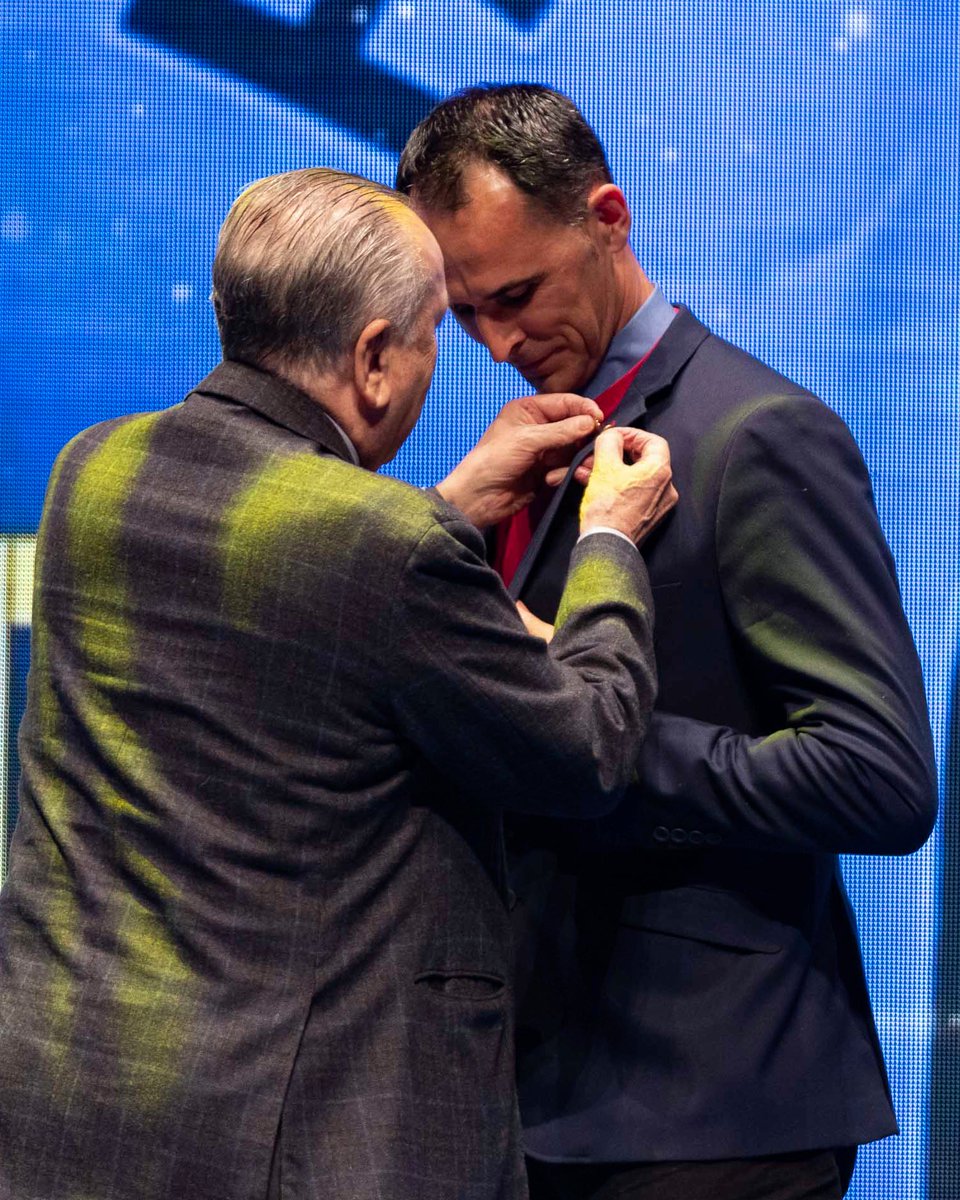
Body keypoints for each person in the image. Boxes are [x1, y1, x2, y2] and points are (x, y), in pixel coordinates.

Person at [0, 167, 678, 1200]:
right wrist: (608, 544)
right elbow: (587, 749)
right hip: (289, 1140)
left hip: (69, 1110)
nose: (439, 365)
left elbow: (286, 635)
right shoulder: (382, 548)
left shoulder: (91, 469)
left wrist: (443, 509)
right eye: (431, 341)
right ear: (372, 358)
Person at [397, 85, 938, 1200]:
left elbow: (880, 780)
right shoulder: (536, 441)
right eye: (466, 315)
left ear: (609, 217)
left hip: (716, 1108)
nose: (498, 343)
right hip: (540, 1094)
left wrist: (579, 730)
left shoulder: (759, 439)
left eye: (518, 296)